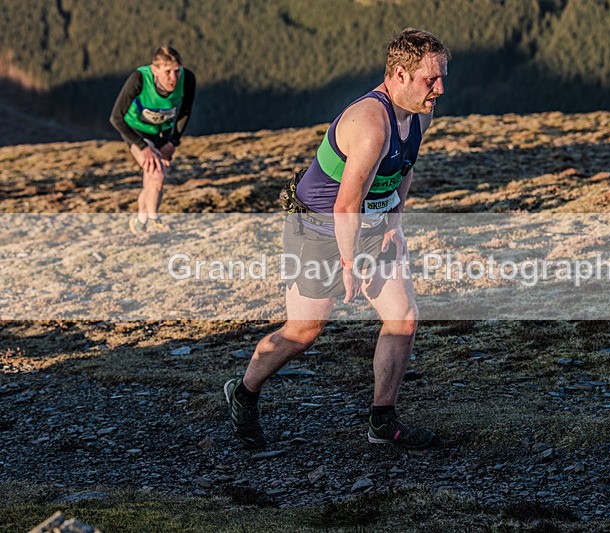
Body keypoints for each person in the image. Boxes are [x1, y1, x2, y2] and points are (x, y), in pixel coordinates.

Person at [224, 28, 450, 450]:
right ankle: (244, 391)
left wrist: (395, 224)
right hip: (318, 227)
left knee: (403, 317)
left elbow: (405, 168)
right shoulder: (370, 123)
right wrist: (349, 264)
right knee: (304, 331)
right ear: (400, 75)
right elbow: (345, 205)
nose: (439, 88)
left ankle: (382, 421)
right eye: (430, 79)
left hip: (369, 223)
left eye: (442, 77)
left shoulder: (420, 112)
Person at [109, 46, 196, 234]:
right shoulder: (139, 79)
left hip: (162, 133)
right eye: (167, 72)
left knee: (154, 181)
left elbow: (185, 112)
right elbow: (116, 118)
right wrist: (142, 147)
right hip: (136, 131)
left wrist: (172, 143)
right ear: (155, 70)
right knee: (156, 173)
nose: (173, 78)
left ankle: (140, 221)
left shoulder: (187, 79)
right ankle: (154, 221)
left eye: (176, 71)